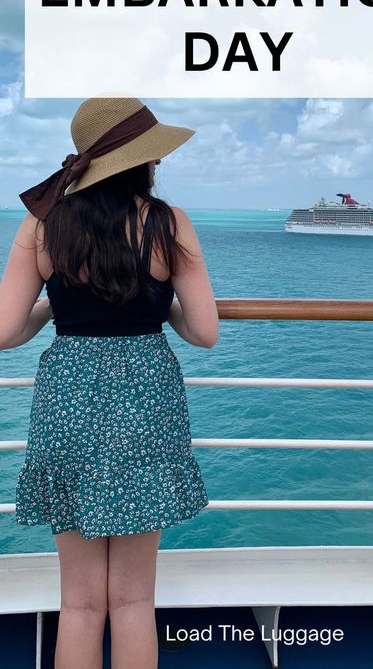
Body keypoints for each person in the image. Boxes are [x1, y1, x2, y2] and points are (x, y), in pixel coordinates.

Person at [0, 96, 219, 669]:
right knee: (132, 599)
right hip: (147, 398)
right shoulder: (167, 222)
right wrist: (159, 310)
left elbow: (4, 331)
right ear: (142, 161)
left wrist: (53, 310)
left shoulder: (43, 222)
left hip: (68, 398)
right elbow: (204, 332)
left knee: (78, 603)